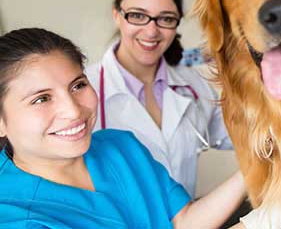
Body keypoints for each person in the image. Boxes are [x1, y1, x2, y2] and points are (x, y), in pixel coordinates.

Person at [0, 28, 248, 229]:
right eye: (41, 99)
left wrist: (253, 169)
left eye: (77, 86)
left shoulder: (119, 146)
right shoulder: (14, 216)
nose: (74, 111)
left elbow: (183, 221)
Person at [86, 0, 232, 197]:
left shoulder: (193, 86)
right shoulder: (86, 91)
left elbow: (242, 134)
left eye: (166, 18)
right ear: (117, 15)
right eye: (138, 15)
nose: (152, 31)